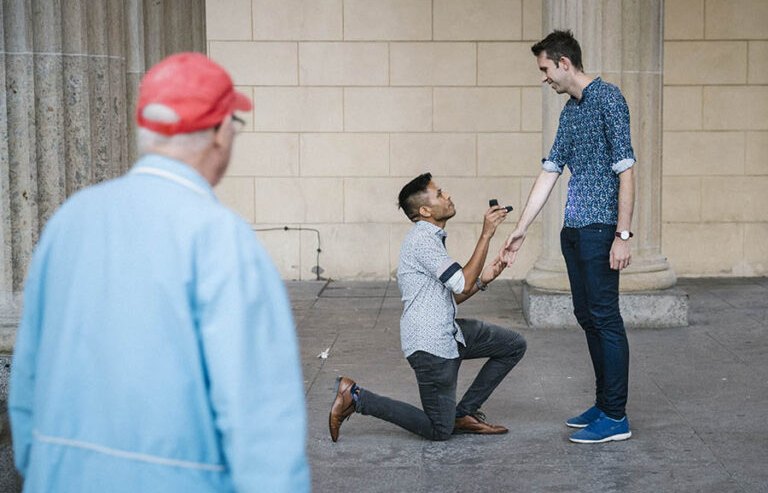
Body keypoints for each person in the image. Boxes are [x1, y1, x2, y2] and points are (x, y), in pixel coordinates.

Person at [9, 53, 309, 491]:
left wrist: (44, 467)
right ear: (222, 132)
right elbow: (258, 417)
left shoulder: (70, 220)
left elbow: (28, 373)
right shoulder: (222, 238)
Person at [500, 30, 636, 444]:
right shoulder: (570, 112)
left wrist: (623, 234)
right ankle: (604, 403)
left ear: (564, 63)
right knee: (587, 317)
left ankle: (616, 417)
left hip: (600, 232)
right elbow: (550, 170)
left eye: (545, 69)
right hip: (574, 232)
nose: (544, 78)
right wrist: (521, 229)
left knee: (606, 318)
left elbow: (626, 170)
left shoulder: (609, 98)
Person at [329, 173, 527, 442]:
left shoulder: (431, 238)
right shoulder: (422, 240)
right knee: (439, 430)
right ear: (425, 210)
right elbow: (460, 282)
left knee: (513, 345)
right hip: (430, 346)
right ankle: (356, 398)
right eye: (440, 194)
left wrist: (482, 281)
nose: (447, 196)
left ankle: (464, 413)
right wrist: (486, 234)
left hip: (449, 333)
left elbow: (452, 294)